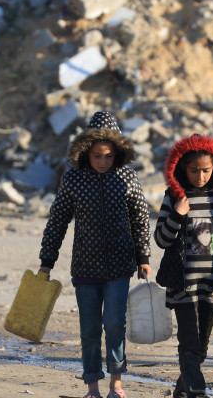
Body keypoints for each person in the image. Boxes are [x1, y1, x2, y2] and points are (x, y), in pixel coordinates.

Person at [39, 111, 151, 398]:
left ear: (118, 153)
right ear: (86, 151)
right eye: (97, 155)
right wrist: (47, 262)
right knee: (89, 329)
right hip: (85, 267)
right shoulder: (73, 179)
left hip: (119, 265)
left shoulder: (127, 177)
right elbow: (57, 221)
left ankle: (116, 384)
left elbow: (140, 217)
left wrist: (143, 257)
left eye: (108, 156)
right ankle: (92, 387)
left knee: (114, 323)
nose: (103, 161)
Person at [154, 134, 213, 398]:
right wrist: (177, 214)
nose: (201, 176)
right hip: (182, 284)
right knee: (189, 343)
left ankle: (182, 390)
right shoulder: (174, 198)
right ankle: (196, 389)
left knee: (202, 346)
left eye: (206, 171)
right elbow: (161, 239)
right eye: (194, 171)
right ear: (181, 168)